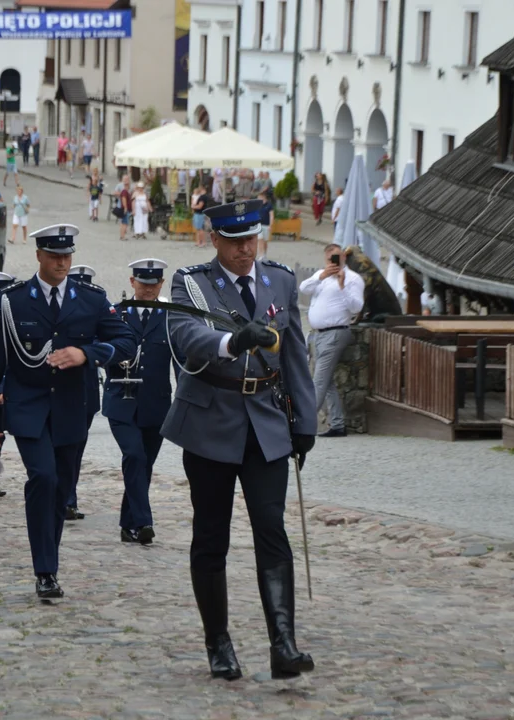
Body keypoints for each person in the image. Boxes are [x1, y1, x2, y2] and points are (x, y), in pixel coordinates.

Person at [162, 199, 317, 682]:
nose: (246, 250)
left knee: (272, 529)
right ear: (214, 240)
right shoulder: (192, 283)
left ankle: (283, 643)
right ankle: (219, 643)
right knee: (212, 534)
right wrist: (233, 341)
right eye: (234, 242)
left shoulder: (281, 280)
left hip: (266, 424)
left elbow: (294, 354)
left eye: (252, 239)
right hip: (210, 422)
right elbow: (188, 337)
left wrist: (305, 421)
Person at [0, 224, 136, 600]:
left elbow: (126, 340)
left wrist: (87, 354)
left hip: (71, 409)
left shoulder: (91, 299)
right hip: (27, 406)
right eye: (54, 256)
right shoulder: (12, 301)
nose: (62, 262)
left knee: (62, 488)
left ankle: (49, 559)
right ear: (39, 256)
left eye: (67, 256)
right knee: (43, 479)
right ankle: (45, 569)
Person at [105, 258, 174, 545]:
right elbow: (103, 350)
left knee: (144, 464)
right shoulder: (116, 314)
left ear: (161, 284)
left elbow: (182, 359)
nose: (148, 289)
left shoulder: (171, 317)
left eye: (153, 284)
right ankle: (144, 522)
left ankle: (128, 524)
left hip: (156, 403)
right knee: (133, 455)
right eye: (142, 283)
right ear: (132, 282)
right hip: (121, 399)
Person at [299, 244, 364, 439]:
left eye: (336, 258)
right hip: (317, 333)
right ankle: (338, 424)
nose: (333, 263)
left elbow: (356, 307)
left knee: (318, 380)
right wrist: (322, 275)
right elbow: (303, 288)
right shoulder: (322, 276)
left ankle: (304, 424)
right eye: (329, 260)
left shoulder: (353, 279)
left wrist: (342, 286)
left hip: (336, 333)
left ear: (344, 257)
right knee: (326, 382)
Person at [60, 264, 104, 522]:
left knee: (77, 449)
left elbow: (104, 341)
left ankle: (69, 497)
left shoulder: (94, 313)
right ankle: (63, 497)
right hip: (57, 389)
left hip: (85, 389)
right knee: (63, 448)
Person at [257, 189, 273, 260]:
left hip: (266, 225)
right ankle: (261, 255)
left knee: (265, 242)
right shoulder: (257, 205)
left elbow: (272, 215)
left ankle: (265, 254)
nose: (258, 198)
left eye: (260, 196)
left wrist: (271, 225)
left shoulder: (269, 205)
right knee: (260, 240)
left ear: (264, 197)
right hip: (259, 225)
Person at [191, 184, 208, 248]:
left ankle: (203, 242)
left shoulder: (202, 197)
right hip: (200, 214)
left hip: (199, 214)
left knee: (200, 229)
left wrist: (193, 206)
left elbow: (200, 206)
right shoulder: (204, 196)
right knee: (199, 229)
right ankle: (198, 241)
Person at [119, 176, 132, 241]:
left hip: (126, 209)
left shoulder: (126, 192)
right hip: (125, 210)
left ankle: (122, 236)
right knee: (125, 223)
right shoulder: (124, 192)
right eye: (128, 185)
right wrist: (125, 208)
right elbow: (124, 200)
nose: (129, 186)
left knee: (123, 223)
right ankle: (123, 236)